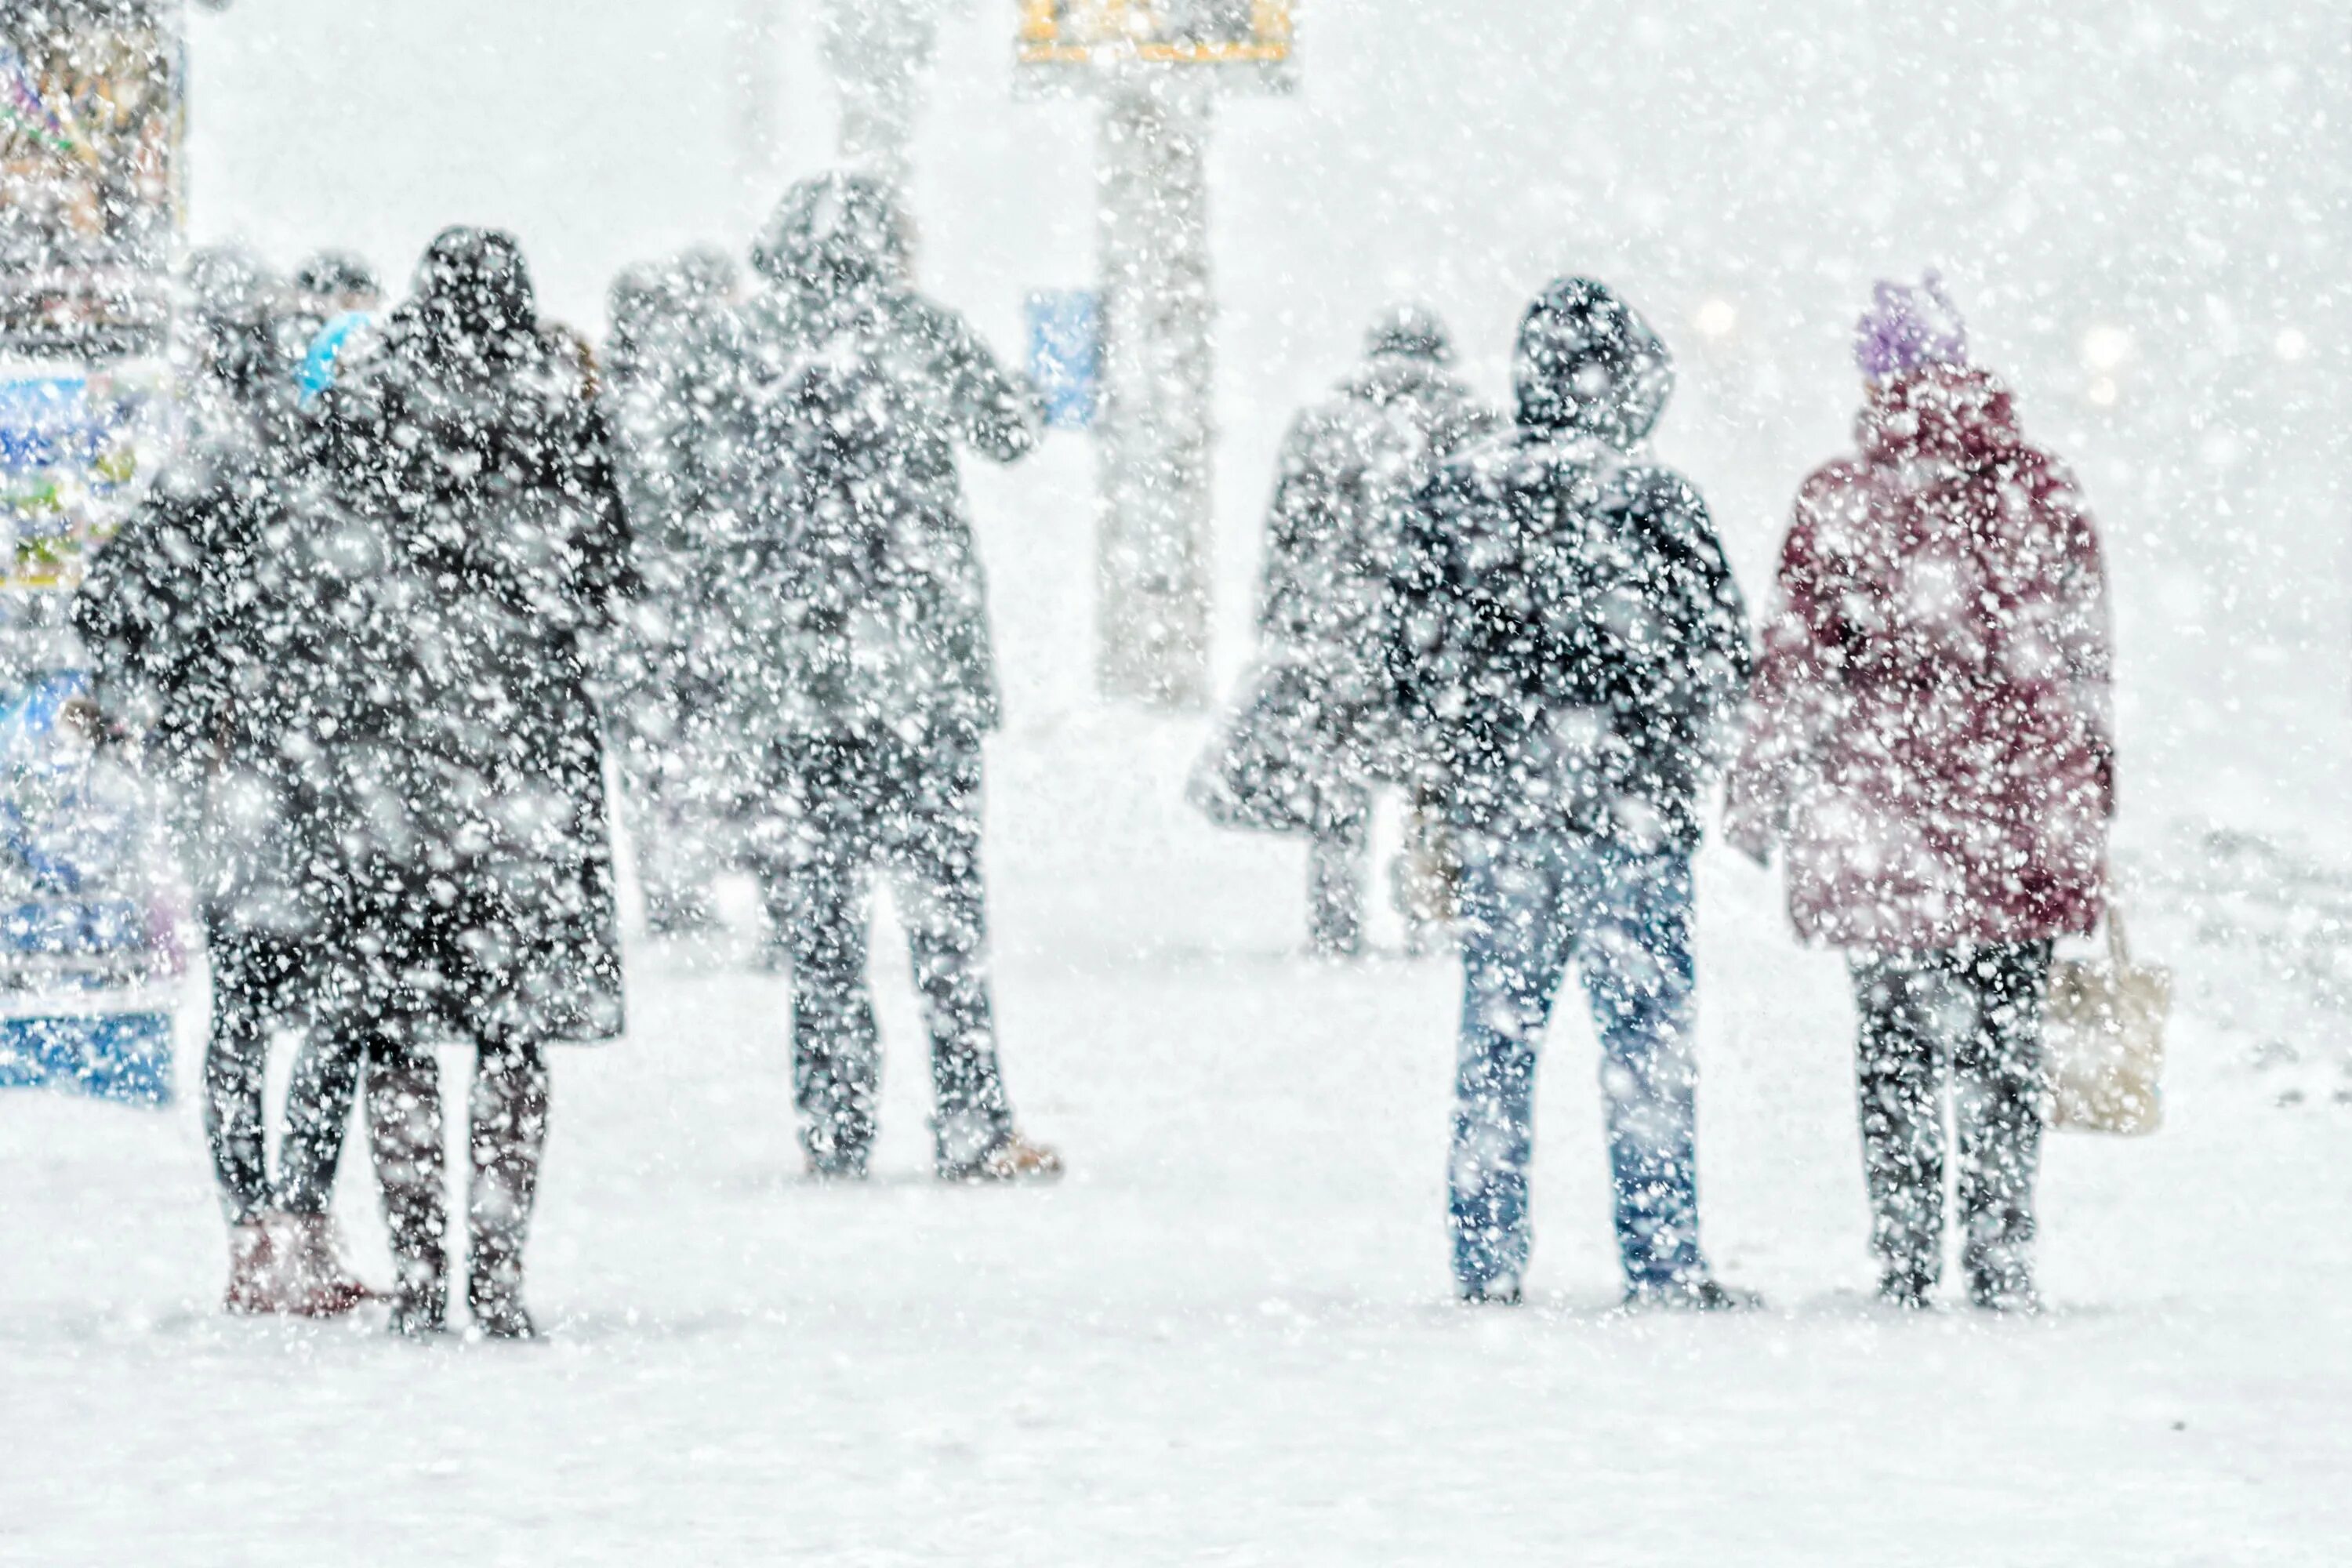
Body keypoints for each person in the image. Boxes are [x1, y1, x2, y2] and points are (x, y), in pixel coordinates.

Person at [1724, 275, 2114, 1315]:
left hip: (1886, 809)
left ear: (1876, 375)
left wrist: (1758, 798)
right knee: (2005, 1046)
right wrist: (2091, 797)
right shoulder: (2044, 492)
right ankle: (2001, 1255)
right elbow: (2085, 661)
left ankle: (1904, 1259)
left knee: (1893, 1049)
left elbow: (1797, 662)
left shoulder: (1842, 499)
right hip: (2020, 808)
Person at [1390, 277, 1755, 1308]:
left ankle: (1487, 1260)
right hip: (1630, 819)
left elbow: (1409, 660)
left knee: (1496, 1046)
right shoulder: (1656, 502)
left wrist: (1470, 744)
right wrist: (1664, 735)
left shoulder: (1457, 493)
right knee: (1645, 1046)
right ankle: (1664, 1259)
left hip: (1507, 814)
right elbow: (1725, 659)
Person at [313, 227, 634, 1338]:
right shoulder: (559, 401)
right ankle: (497, 1280)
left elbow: (318, 572)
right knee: (514, 1032)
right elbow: (607, 574)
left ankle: (419, 1278)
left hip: (392, 765)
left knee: (396, 1030)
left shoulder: (364, 401)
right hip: (524, 762)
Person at [724, 171, 1059, 1182]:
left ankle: (834, 1125)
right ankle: (971, 1120)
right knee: (946, 918)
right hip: (923, 688)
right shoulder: (919, 329)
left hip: (800, 687)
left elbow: (693, 482)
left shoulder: (750, 343)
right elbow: (1009, 431)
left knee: (822, 922)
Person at [73, 245, 370, 1316]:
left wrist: (162, 701)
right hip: (330, 771)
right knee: (337, 1005)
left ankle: (253, 1235)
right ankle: (307, 1219)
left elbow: (107, 610)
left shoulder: (199, 477)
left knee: (244, 1005)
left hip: (223, 767)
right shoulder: (328, 477)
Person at [1192, 306, 1497, 956]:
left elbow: (1286, 538)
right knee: (1435, 782)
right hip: (1430, 642)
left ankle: (1335, 925)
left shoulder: (1323, 427)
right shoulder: (1474, 428)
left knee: (1341, 783)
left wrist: (1277, 626)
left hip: (1333, 638)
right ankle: (1432, 917)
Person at [604, 249, 750, 939]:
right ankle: (693, 878)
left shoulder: (604, 397)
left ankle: (673, 888)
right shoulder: (699, 397)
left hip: (637, 610)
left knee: (651, 757)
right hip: (694, 605)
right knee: (704, 747)